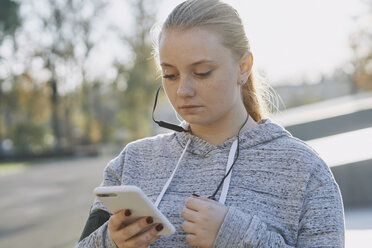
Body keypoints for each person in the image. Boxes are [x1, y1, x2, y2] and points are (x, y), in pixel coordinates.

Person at [75, 0, 345, 247]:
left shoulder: (304, 171)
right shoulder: (131, 162)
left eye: (202, 72)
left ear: (244, 66)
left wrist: (237, 235)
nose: (183, 90)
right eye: (170, 74)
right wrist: (110, 241)